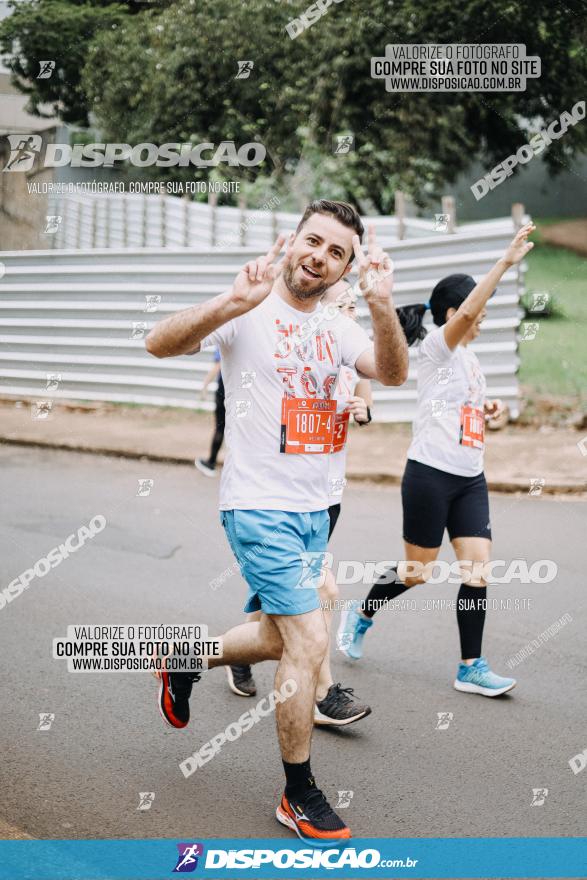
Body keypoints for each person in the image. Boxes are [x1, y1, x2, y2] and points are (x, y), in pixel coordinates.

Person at [145, 200, 408, 843]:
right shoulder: (249, 305)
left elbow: (395, 374)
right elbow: (158, 343)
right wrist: (229, 305)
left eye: (336, 253)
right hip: (259, 508)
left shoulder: (338, 326)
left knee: (273, 638)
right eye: (313, 242)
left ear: (345, 269)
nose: (319, 257)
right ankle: (298, 792)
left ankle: (184, 661)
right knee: (309, 643)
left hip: (316, 512)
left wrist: (380, 304)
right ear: (291, 241)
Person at [338, 222, 536, 698]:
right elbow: (468, 312)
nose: (481, 317)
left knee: (477, 569)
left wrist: (492, 410)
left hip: (470, 478)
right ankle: (362, 612)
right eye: (477, 310)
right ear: (453, 313)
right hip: (429, 476)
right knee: (418, 571)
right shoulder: (435, 349)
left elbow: (465, 409)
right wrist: (504, 263)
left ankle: (471, 666)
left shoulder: (468, 359)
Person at [226, 278, 374, 728]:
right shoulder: (292, 355)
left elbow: (367, 408)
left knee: (278, 603)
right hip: (279, 498)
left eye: (355, 304)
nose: (352, 310)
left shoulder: (354, 359)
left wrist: (359, 410)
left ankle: (232, 653)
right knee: (322, 591)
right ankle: (324, 693)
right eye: (342, 303)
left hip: (326, 498)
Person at [195, 348, 225, 477]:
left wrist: (205, 384)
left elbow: (219, 365)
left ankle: (211, 463)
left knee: (220, 427)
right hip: (241, 390)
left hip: (224, 389)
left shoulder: (223, 339)